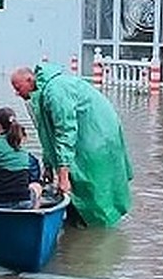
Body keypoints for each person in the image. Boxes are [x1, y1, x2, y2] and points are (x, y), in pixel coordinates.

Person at [10, 62, 133, 227]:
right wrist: (48, 165)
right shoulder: (43, 93)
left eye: (18, 88)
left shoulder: (55, 91)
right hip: (91, 137)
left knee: (91, 187)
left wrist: (63, 175)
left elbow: (65, 132)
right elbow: (48, 134)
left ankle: (96, 231)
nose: (17, 93)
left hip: (97, 139)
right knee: (82, 190)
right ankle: (81, 228)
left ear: (29, 79)